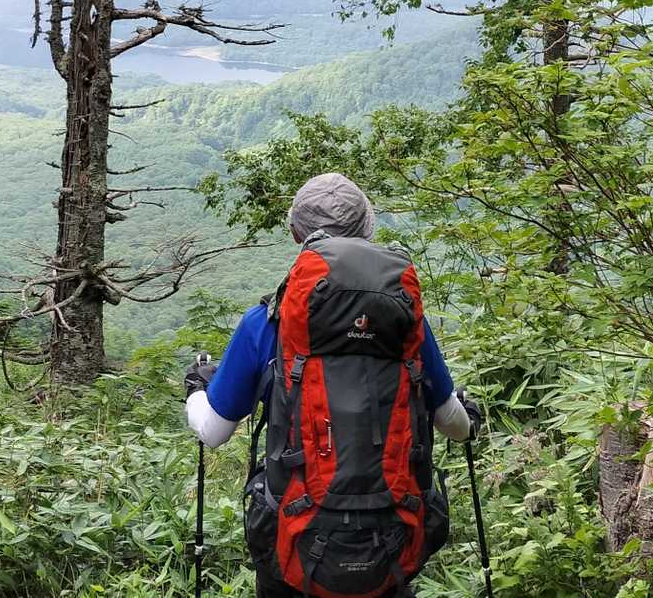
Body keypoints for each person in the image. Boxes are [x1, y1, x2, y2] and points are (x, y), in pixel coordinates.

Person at [185, 173, 481, 598]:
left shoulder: (267, 322)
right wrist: (470, 419)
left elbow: (213, 432)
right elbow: (453, 423)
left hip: (293, 542)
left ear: (296, 234)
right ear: (369, 229)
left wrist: (197, 389)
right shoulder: (405, 322)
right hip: (391, 541)